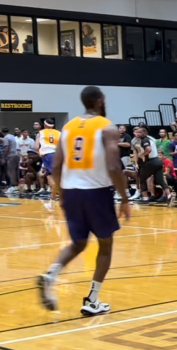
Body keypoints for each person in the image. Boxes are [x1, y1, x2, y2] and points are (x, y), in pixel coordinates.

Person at [36, 86, 130, 316]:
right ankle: (92, 300)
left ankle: (51, 275)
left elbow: (56, 166)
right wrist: (124, 198)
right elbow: (113, 166)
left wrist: (61, 193)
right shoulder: (107, 127)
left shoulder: (67, 128)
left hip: (71, 191)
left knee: (78, 243)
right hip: (96, 192)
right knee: (105, 245)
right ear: (99, 101)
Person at [36, 118, 61, 198]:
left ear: (45, 124)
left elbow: (36, 147)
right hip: (58, 154)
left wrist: (39, 153)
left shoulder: (40, 133)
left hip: (47, 154)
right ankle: (59, 192)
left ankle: (54, 193)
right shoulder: (59, 133)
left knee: (49, 175)